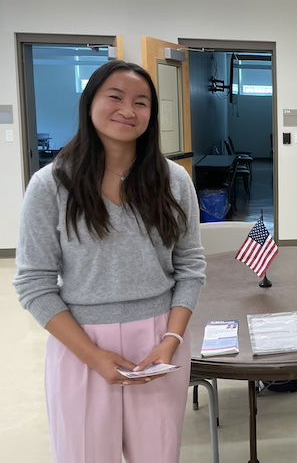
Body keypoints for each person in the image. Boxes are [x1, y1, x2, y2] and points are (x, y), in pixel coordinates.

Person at [13, 60, 206, 463]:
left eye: (141, 102)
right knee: (84, 453)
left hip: (160, 341)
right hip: (82, 342)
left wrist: (171, 340)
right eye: (115, 97)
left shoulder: (174, 181)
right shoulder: (50, 185)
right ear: (89, 104)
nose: (128, 110)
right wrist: (92, 356)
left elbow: (190, 266)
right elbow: (34, 283)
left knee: (159, 453)